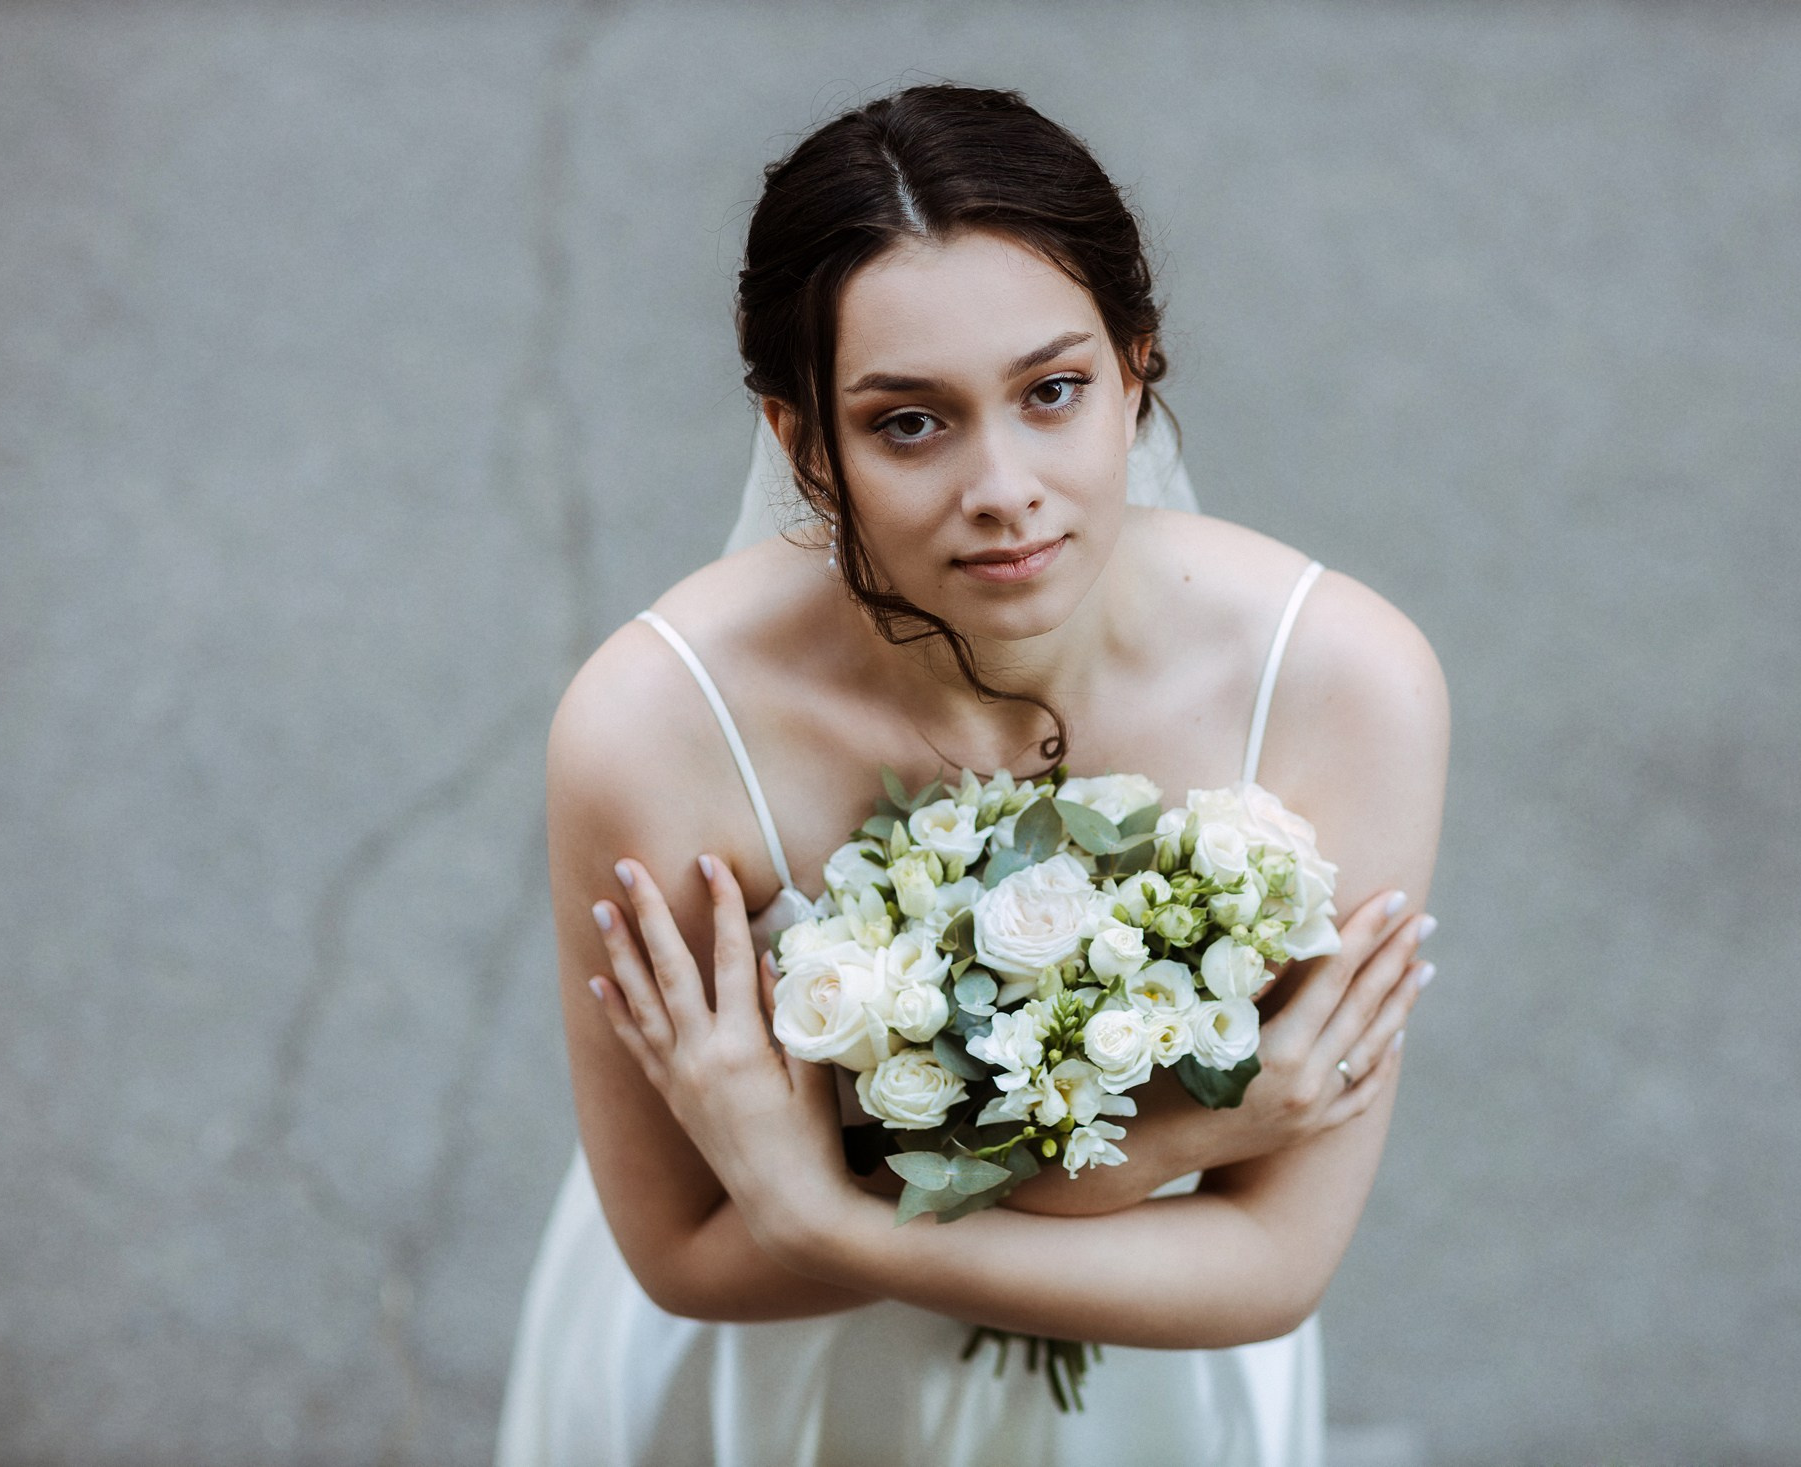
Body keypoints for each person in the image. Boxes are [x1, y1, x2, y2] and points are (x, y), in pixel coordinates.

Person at [494, 83, 1450, 1467]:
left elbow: (1274, 1265)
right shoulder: (654, 734)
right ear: (801, 440)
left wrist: (817, 1213)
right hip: (784, 1380)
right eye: (909, 424)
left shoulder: (1345, 685)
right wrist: (1165, 1147)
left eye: (1053, 392)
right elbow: (691, 1257)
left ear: (1138, 367)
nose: (1003, 486)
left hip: (1143, 1373)